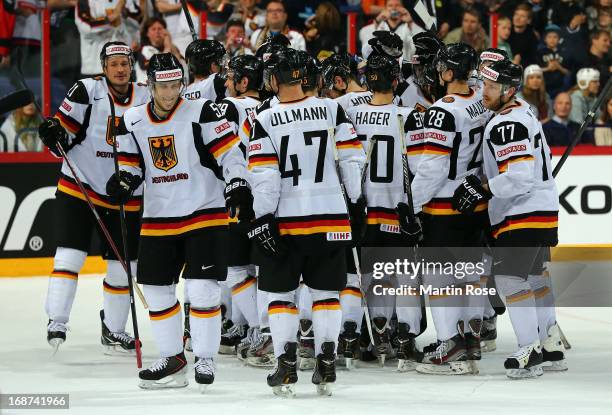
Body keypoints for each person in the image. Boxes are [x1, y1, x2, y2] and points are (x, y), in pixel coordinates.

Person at [106, 52, 251, 390]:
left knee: (202, 289)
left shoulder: (202, 111)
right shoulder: (133, 119)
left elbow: (230, 153)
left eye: (176, 85)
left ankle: (204, 356)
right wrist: (125, 181)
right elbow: (131, 164)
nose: (171, 92)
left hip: (205, 211)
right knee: (156, 290)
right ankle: (173, 358)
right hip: (159, 216)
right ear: (150, 84)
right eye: (164, 86)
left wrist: (238, 181)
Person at [247, 46, 365, 396]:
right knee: (327, 293)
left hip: (287, 220)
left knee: (281, 295)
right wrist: (355, 204)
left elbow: (266, 178)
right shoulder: (332, 109)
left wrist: (262, 217)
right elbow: (352, 162)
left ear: (278, 78)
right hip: (330, 217)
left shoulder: (264, 118)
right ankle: (326, 361)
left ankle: (285, 366)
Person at [455, 58, 566, 378]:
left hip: (522, 211)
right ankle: (550, 345)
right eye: (484, 84)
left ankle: (529, 349)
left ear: (510, 90)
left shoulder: (506, 123)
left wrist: (482, 187)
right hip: (541, 208)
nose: (484, 92)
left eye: (491, 87)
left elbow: (518, 178)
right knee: (535, 278)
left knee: (509, 279)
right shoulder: (523, 111)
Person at [38, 42, 149, 354]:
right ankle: (57, 320)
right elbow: (63, 133)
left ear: (131, 65)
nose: (120, 69)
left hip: (125, 193)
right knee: (69, 256)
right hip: (81, 187)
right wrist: (54, 134)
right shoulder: (87, 90)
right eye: (114, 64)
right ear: (103, 66)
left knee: (124, 267)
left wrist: (133, 178)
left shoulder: (145, 96)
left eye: (124, 63)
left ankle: (114, 330)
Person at [410, 43, 490, 376]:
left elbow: (433, 168)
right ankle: (471, 340)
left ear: (446, 72)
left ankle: (449, 341)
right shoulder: (482, 98)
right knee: (471, 275)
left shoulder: (443, 111)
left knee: (440, 276)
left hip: (444, 204)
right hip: (476, 200)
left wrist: (409, 203)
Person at [344, 53, 424, 371]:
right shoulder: (409, 116)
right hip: (396, 209)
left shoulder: (351, 113)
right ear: (395, 81)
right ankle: (403, 338)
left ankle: (366, 334)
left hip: (362, 208)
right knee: (401, 275)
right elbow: (418, 168)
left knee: (364, 275)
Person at [215, 54, 262, 358]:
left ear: (244, 82)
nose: (226, 83)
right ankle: (248, 325)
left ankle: (260, 329)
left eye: (232, 78)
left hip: (238, 196)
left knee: (233, 269)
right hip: (267, 197)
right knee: (256, 268)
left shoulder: (230, 106)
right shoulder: (270, 106)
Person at [75, 0, 129, 77]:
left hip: (119, 62)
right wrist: (111, 18)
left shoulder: (118, 2)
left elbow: (124, 26)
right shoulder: (84, 2)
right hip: (95, 67)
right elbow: (86, 27)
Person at [135, 17, 183, 83]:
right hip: (146, 89)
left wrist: (169, 40)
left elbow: (179, 65)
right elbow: (158, 68)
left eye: (160, 29)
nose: (157, 31)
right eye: (153, 29)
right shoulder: (145, 50)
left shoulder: (171, 48)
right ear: (147, 33)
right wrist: (168, 47)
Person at [537, 24, 570, 98]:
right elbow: (534, 69)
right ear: (545, 39)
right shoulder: (540, 52)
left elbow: (569, 73)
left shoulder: (564, 53)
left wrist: (559, 67)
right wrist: (547, 68)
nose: (552, 40)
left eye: (555, 37)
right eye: (549, 37)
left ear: (559, 39)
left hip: (560, 88)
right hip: (544, 87)